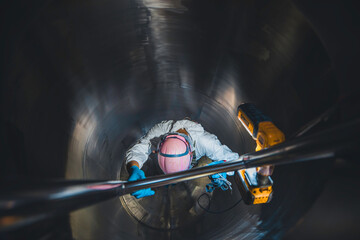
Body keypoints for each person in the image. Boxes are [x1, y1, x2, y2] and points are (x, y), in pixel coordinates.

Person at [125, 119, 240, 199]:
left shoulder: (206, 142)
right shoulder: (157, 134)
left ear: (191, 153)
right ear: (158, 149)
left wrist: (223, 167)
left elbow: (234, 160)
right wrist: (134, 168)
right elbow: (139, 149)